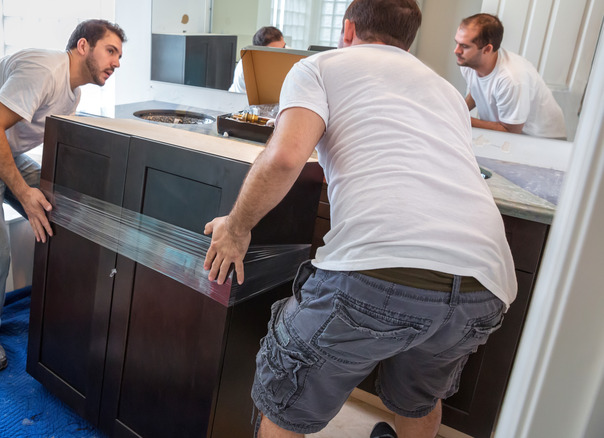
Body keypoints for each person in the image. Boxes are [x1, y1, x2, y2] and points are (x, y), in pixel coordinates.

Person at [203, 1, 517, 437]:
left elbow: (285, 157)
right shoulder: (446, 89)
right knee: (420, 400)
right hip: (485, 286)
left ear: (348, 29)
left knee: (285, 400)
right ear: (407, 40)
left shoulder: (319, 67)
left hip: (379, 270)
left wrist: (235, 228)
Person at [0, 19, 125, 373]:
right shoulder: (44, 71)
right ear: (82, 46)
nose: (117, 62)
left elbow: (52, 152)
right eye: (111, 51)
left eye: (120, 55)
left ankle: (62, 307)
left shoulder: (72, 94)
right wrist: (24, 194)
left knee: (60, 207)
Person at [455, 13, 566, 138]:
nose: (457, 51)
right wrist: (457, 110)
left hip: (542, 141)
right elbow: (478, 91)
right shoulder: (469, 63)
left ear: (487, 49)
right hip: (512, 135)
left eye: (464, 46)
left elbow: (510, 131)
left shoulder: (511, 79)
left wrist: (462, 119)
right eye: (457, 43)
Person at [229, 26, 286, 93]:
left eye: (283, 47)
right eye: (275, 52)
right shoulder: (247, 67)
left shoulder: (284, 54)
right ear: (258, 52)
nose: (281, 54)